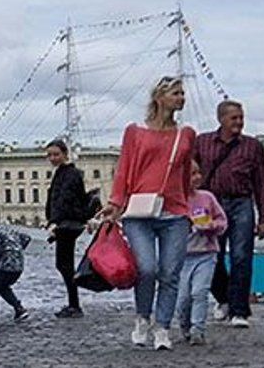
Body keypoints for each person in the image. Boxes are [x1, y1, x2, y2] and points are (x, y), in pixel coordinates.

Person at [103, 76, 195, 351]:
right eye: (176, 93)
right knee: (147, 268)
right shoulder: (135, 133)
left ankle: (163, 327)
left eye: (182, 93)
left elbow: (187, 173)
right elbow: (124, 169)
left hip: (175, 212)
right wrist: (115, 203)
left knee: (170, 272)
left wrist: (191, 207)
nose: (181, 98)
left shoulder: (186, 135)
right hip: (138, 211)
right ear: (160, 97)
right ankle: (143, 317)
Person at [193, 99, 264, 328]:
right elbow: (189, 172)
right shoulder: (203, 142)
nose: (239, 122)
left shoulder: (252, 146)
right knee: (211, 256)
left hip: (241, 204)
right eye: (234, 118)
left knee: (241, 256)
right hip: (211, 203)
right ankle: (224, 298)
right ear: (221, 119)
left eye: (241, 117)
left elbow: (262, 183)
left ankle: (239, 311)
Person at [176, 162, 228, 345]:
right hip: (181, 257)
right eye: (192, 174)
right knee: (183, 297)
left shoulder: (207, 197)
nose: (197, 177)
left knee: (200, 291)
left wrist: (211, 226)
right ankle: (185, 326)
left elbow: (222, 221)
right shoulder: (175, 202)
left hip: (206, 254)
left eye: (198, 173)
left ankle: (198, 328)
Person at [43, 139, 92, 317]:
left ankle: (75, 305)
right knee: (65, 265)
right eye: (49, 155)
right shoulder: (63, 172)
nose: (52, 158)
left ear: (65, 154)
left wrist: (54, 221)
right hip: (66, 223)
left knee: (64, 264)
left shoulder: (70, 174)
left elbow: (65, 200)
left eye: (56, 154)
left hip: (68, 224)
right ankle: (74, 303)